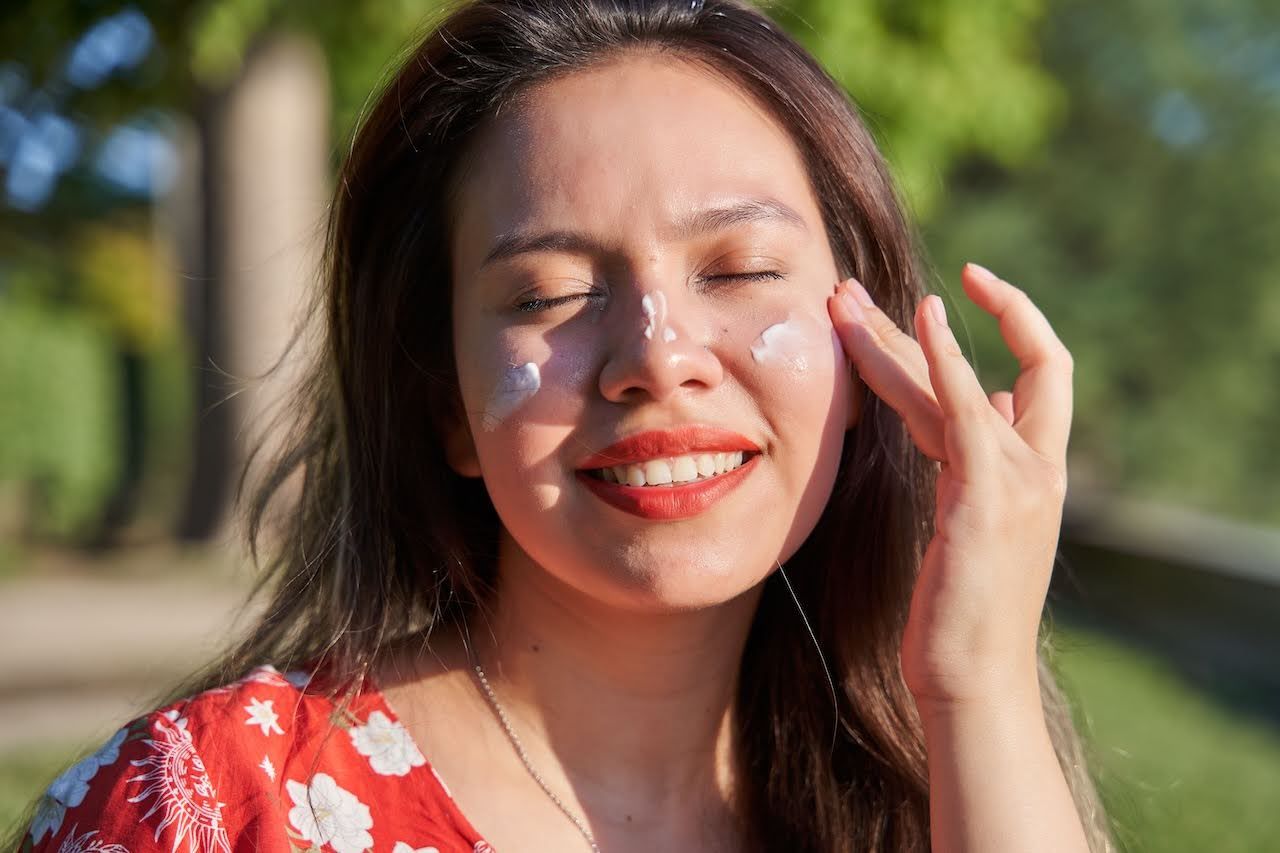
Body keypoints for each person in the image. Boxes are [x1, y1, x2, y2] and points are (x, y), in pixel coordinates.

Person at [13, 1, 1115, 851]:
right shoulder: (208, 808)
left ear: (868, 346)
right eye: (545, 294)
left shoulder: (955, 791)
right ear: (445, 402)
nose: (655, 357)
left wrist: (978, 676)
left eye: (736, 269)